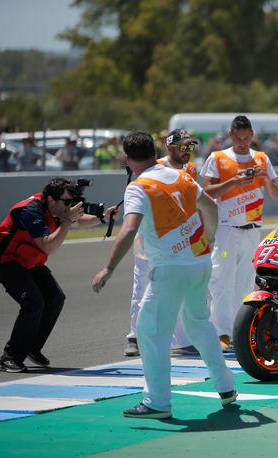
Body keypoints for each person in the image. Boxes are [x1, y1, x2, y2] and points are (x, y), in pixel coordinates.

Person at [92, 130, 236, 419]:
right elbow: (209, 206)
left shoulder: (138, 187)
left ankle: (158, 402)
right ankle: (226, 387)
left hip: (170, 268)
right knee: (199, 325)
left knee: (149, 330)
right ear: (154, 150)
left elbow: (130, 227)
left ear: (127, 159)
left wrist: (108, 268)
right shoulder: (182, 176)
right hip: (199, 262)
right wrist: (208, 238)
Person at [0, 177, 116, 372]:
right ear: (50, 200)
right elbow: (48, 245)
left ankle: (32, 346)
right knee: (33, 303)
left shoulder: (57, 208)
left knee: (55, 298)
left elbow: (78, 222)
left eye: (71, 203)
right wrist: (67, 220)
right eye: (67, 203)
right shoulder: (30, 211)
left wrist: (102, 218)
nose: (70, 207)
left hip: (29, 260)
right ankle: (10, 357)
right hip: (7, 262)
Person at [201, 115, 278, 350]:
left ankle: (240, 329)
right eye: (238, 139)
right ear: (231, 136)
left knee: (245, 281)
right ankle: (221, 331)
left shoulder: (262, 159)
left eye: (246, 138)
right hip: (227, 228)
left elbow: (275, 194)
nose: (243, 143)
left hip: (252, 229)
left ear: (252, 135)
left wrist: (264, 177)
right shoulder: (218, 158)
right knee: (221, 278)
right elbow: (206, 192)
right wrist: (233, 183)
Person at [124, 129, 200, 357]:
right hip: (149, 239)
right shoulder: (153, 167)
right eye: (183, 147)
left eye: (190, 147)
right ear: (170, 147)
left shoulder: (191, 170)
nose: (187, 152)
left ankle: (182, 339)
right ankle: (134, 337)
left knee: (179, 288)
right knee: (142, 287)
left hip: (178, 239)